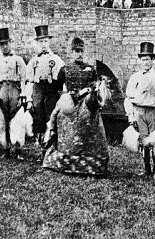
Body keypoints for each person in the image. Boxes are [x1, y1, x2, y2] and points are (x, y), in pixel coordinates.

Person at [43, 38, 110, 176]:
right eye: (76, 51)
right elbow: (56, 88)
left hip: (86, 101)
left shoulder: (91, 69)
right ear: (72, 52)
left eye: (81, 51)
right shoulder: (65, 69)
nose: (79, 54)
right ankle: (50, 140)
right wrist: (65, 96)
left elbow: (95, 86)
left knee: (95, 122)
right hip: (70, 102)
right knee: (55, 117)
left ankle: (96, 163)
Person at [124, 42, 155, 181]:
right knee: (143, 141)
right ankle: (146, 169)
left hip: (154, 112)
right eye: (143, 59)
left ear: (152, 60)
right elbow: (128, 99)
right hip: (139, 111)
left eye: (148, 59)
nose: (145, 62)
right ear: (140, 61)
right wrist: (131, 117)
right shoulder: (135, 77)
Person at [23, 25, 65, 157]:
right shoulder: (33, 61)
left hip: (51, 91)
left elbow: (63, 80)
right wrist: (29, 99)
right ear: (37, 43)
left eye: (46, 41)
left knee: (51, 119)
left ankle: (52, 150)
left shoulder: (57, 60)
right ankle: (42, 151)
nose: (44, 44)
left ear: (49, 42)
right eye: (41, 42)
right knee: (39, 119)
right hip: (38, 91)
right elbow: (29, 81)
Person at [0, 28, 26, 158]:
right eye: (2, 44)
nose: (5, 46)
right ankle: (6, 149)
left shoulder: (18, 60)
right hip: (2, 90)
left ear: (10, 42)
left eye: (6, 43)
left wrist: (23, 94)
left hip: (15, 90)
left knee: (17, 120)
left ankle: (18, 150)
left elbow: (25, 78)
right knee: (3, 121)